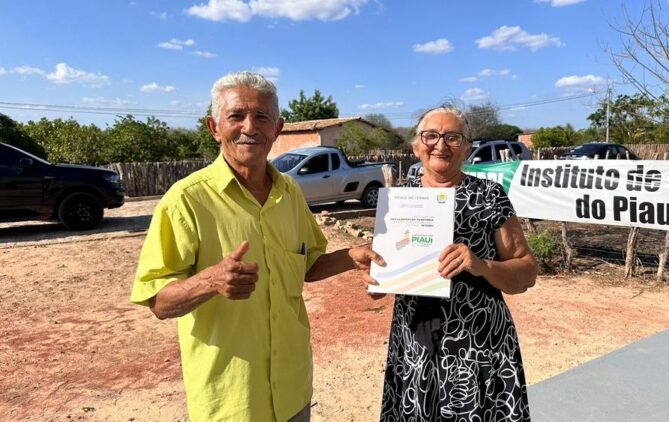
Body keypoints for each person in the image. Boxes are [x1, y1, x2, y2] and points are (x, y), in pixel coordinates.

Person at [130, 71, 381, 422]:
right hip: (232, 400)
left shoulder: (290, 194)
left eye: (262, 117)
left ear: (277, 128)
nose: (250, 127)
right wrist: (209, 281)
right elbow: (157, 301)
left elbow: (307, 266)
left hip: (293, 388)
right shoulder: (185, 201)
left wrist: (352, 255)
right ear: (214, 127)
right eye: (236, 116)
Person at [376, 104, 538, 421]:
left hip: (478, 347)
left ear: (467, 148)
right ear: (415, 145)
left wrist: (481, 265)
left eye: (452, 136)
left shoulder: (488, 196)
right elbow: (388, 264)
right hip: (416, 344)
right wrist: (380, 280)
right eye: (431, 135)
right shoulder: (399, 200)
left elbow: (527, 272)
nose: (440, 144)